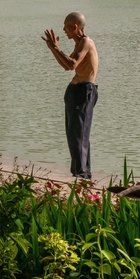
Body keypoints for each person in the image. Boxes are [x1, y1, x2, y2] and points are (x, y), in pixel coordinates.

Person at [42, 12, 99, 179]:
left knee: (79, 135)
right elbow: (66, 66)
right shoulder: (79, 43)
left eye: (66, 26)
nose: (63, 30)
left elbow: (72, 64)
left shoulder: (86, 42)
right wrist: (53, 48)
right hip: (76, 92)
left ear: (75, 27)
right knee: (75, 134)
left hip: (83, 92)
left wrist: (56, 48)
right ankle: (82, 173)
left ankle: (81, 175)